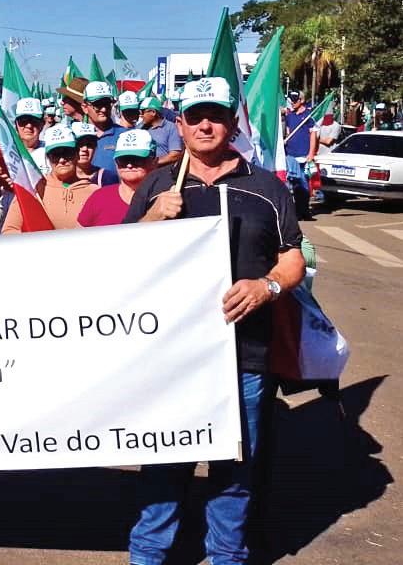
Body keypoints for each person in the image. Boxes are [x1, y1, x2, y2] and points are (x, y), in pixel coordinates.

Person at [124, 75, 305, 565]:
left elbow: (293, 258)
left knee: (235, 467)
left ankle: (227, 555)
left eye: (216, 116)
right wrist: (152, 218)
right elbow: (120, 257)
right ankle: (148, 554)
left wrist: (266, 287)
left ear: (232, 124)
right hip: (170, 353)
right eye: (195, 117)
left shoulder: (266, 187)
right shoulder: (158, 184)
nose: (206, 125)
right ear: (180, 125)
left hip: (245, 353)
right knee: (165, 461)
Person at [1, 125, 97, 233]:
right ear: (47, 157)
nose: (62, 160)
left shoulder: (95, 192)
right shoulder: (33, 189)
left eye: (67, 153)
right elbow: (9, 230)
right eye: (55, 155)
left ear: (77, 154)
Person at [78, 129, 158, 227]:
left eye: (137, 159)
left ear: (154, 162)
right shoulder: (99, 197)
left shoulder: (164, 198)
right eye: (123, 159)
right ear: (115, 162)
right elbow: (79, 234)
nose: (129, 165)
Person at [82, 81, 129, 183]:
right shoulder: (75, 136)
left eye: (107, 104)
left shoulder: (125, 136)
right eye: (98, 105)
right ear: (85, 107)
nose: (103, 109)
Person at [283, 90, 318, 221]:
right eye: (291, 100)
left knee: (304, 183)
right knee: (295, 184)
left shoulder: (309, 116)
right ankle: (298, 211)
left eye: (294, 100)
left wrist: (311, 153)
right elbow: (288, 132)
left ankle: (304, 211)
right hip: (291, 154)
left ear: (301, 100)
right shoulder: (290, 116)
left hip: (304, 155)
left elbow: (313, 135)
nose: (292, 102)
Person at [139, 96, 184, 166]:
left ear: (153, 112)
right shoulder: (140, 128)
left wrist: (153, 163)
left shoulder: (171, 128)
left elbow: (175, 155)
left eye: (142, 112)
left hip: (163, 170)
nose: (140, 115)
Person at [14, 97, 48, 174]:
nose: (29, 126)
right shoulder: (8, 151)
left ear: (42, 124)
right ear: (16, 124)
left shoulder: (51, 151)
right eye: (23, 121)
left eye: (34, 121)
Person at [73, 122, 111, 186]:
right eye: (80, 144)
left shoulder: (107, 178)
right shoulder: (63, 177)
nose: (85, 149)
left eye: (90, 144)